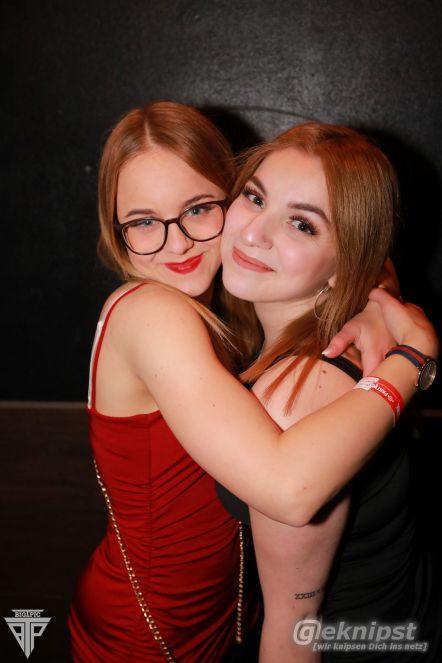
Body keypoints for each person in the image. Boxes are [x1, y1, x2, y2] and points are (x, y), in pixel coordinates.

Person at [68, 101, 437, 662]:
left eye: (198, 209)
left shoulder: (232, 293)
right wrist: (413, 358)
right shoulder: (153, 310)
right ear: (115, 232)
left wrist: (378, 300)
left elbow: (360, 247)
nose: (177, 244)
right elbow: (290, 490)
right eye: (142, 222)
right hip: (152, 631)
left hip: (230, 613)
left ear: (229, 197)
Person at [216, 122, 441, 661]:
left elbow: (296, 629)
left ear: (349, 263)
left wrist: (417, 353)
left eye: (302, 224)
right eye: (255, 197)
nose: (253, 233)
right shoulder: (340, 326)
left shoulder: (295, 395)